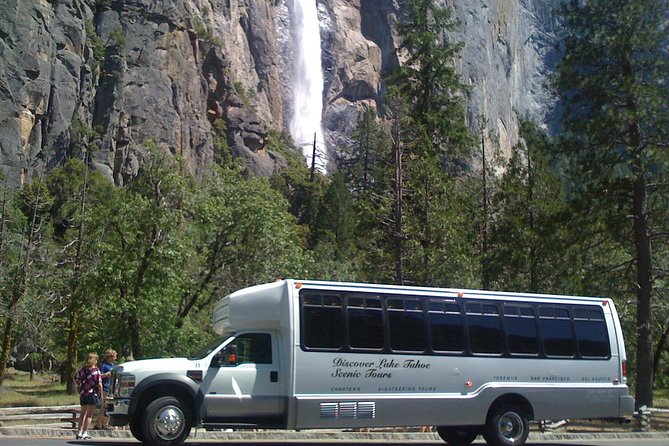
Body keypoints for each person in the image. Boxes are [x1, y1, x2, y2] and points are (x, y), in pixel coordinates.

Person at [74, 352, 103, 440]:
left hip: (83, 393)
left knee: (82, 413)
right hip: (92, 394)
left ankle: (79, 431)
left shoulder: (82, 370)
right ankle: (85, 432)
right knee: (89, 415)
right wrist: (101, 394)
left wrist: (80, 386)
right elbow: (99, 384)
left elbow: (76, 378)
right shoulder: (96, 371)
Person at [95, 349, 117, 430]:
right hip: (105, 387)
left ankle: (105, 423)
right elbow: (98, 376)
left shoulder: (114, 366)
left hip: (112, 388)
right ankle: (98, 424)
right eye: (114, 357)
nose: (115, 358)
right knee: (103, 406)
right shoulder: (104, 366)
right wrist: (106, 374)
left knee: (109, 407)